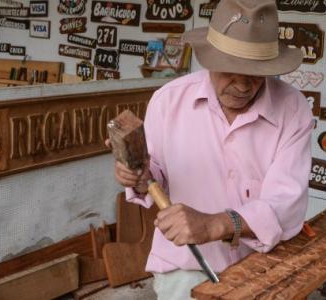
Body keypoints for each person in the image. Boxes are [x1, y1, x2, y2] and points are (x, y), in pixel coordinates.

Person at [106, 0, 314, 298]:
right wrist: (138, 175)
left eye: (255, 73)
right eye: (230, 70)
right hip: (185, 268)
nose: (242, 86)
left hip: (264, 263)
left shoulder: (292, 109)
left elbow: (287, 203)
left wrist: (217, 223)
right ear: (209, 59)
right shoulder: (168, 101)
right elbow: (155, 174)